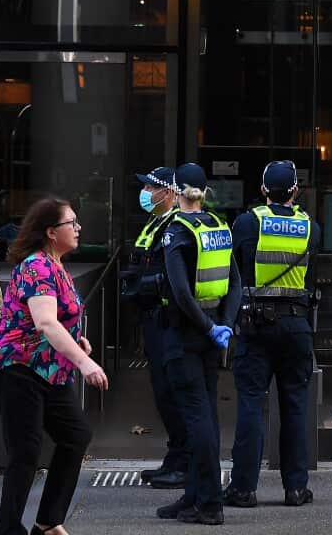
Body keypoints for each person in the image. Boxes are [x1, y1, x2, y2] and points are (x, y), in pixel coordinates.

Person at [0, 196, 108, 535]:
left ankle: (48, 522)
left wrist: (76, 340)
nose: (78, 228)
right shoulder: (36, 267)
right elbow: (46, 323)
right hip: (18, 367)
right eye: (72, 223)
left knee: (75, 435)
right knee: (25, 453)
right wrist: (85, 363)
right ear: (51, 232)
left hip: (49, 369)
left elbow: (57, 320)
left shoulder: (57, 266)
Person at [224, 160, 321, 508]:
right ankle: (296, 489)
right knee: (295, 407)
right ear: (295, 190)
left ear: (263, 189)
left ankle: (243, 489)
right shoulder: (311, 227)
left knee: (251, 404)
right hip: (297, 325)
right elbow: (311, 277)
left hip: (256, 326)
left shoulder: (248, 223)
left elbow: (234, 269)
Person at [154, 163, 242, 526]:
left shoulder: (176, 230)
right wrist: (224, 326)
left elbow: (180, 292)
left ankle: (208, 503)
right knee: (206, 416)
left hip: (185, 334)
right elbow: (235, 283)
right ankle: (194, 496)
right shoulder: (218, 226)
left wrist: (207, 327)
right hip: (211, 334)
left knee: (197, 419)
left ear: (176, 191)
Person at [121, 166, 187, 490]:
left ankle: (183, 463)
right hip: (152, 319)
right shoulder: (156, 222)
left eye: (151, 187)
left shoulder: (176, 225)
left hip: (167, 321)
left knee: (173, 393)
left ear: (169, 193)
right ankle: (174, 458)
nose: (146, 192)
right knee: (162, 393)